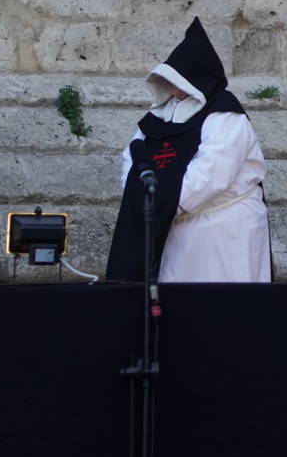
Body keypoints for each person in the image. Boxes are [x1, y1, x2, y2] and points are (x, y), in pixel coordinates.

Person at [104, 18, 272, 283]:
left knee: (224, 299)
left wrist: (160, 202)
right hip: (172, 223)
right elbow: (134, 155)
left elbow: (213, 172)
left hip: (223, 229)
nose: (173, 88)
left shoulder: (226, 114)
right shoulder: (161, 114)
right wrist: (141, 194)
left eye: (178, 81)